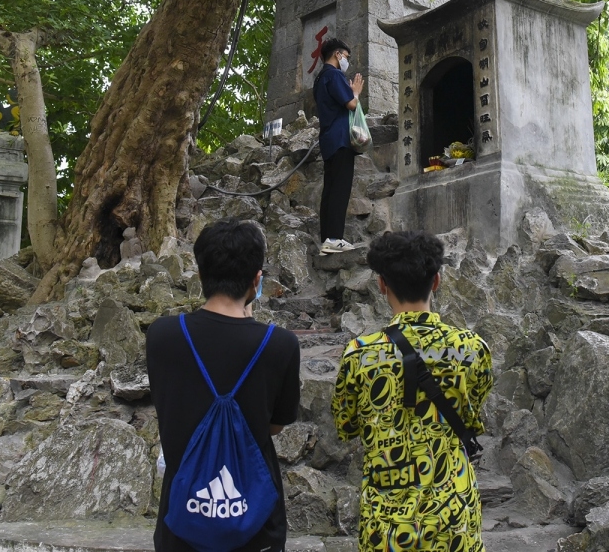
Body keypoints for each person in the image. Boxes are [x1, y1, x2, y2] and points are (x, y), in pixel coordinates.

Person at [332, 231, 494, 552]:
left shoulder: (359, 354)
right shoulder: (472, 349)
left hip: (387, 525)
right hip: (454, 518)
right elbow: (471, 413)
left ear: (381, 285)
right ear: (436, 282)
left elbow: (347, 426)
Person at [147, 219, 301, 552]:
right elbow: (274, 426)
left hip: (183, 517)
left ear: (200, 275)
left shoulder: (162, 336)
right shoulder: (281, 344)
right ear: (256, 280)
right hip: (255, 520)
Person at [313, 37, 365, 255]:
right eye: (346, 57)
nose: (347, 61)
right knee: (340, 190)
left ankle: (327, 239)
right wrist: (356, 91)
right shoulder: (334, 75)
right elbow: (351, 104)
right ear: (337, 54)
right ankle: (334, 238)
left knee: (330, 190)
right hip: (341, 139)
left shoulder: (319, 79)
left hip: (327, 140)